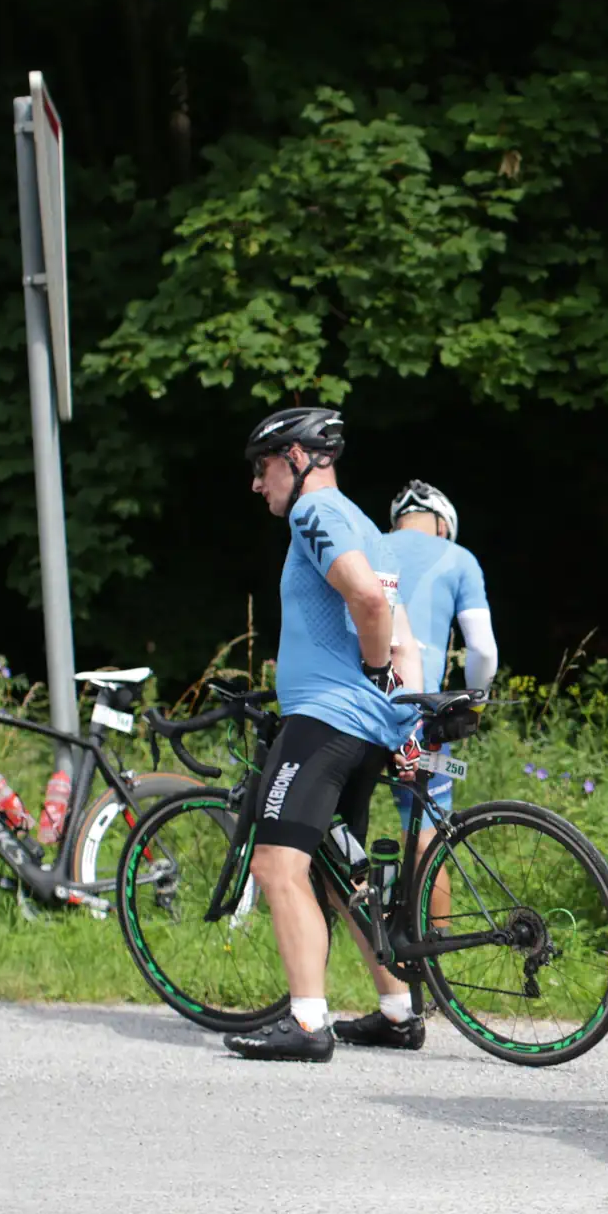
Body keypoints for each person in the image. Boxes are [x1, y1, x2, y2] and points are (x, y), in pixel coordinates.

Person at [226, 405, 429, 1063]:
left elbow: (367, 602)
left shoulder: (314, 513)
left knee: (276, 863)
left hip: (325, 722)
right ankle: (398, 1012)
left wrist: (368, 667)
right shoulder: (367, 527)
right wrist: (403, 720)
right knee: (344, 872)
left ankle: (308, 1023)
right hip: (367, 728)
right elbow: (405, 640)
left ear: (295, 458)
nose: (257, 483)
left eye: (262, 467)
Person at [352, 480, 498, 1021]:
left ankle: (364, 982)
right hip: (418, 718)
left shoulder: (367, 547)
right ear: (443, 524)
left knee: (335, 838)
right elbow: (482, 650)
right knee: (428, 841)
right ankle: (436, 980)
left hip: (355, 709)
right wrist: (474, 703)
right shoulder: (459, 559)